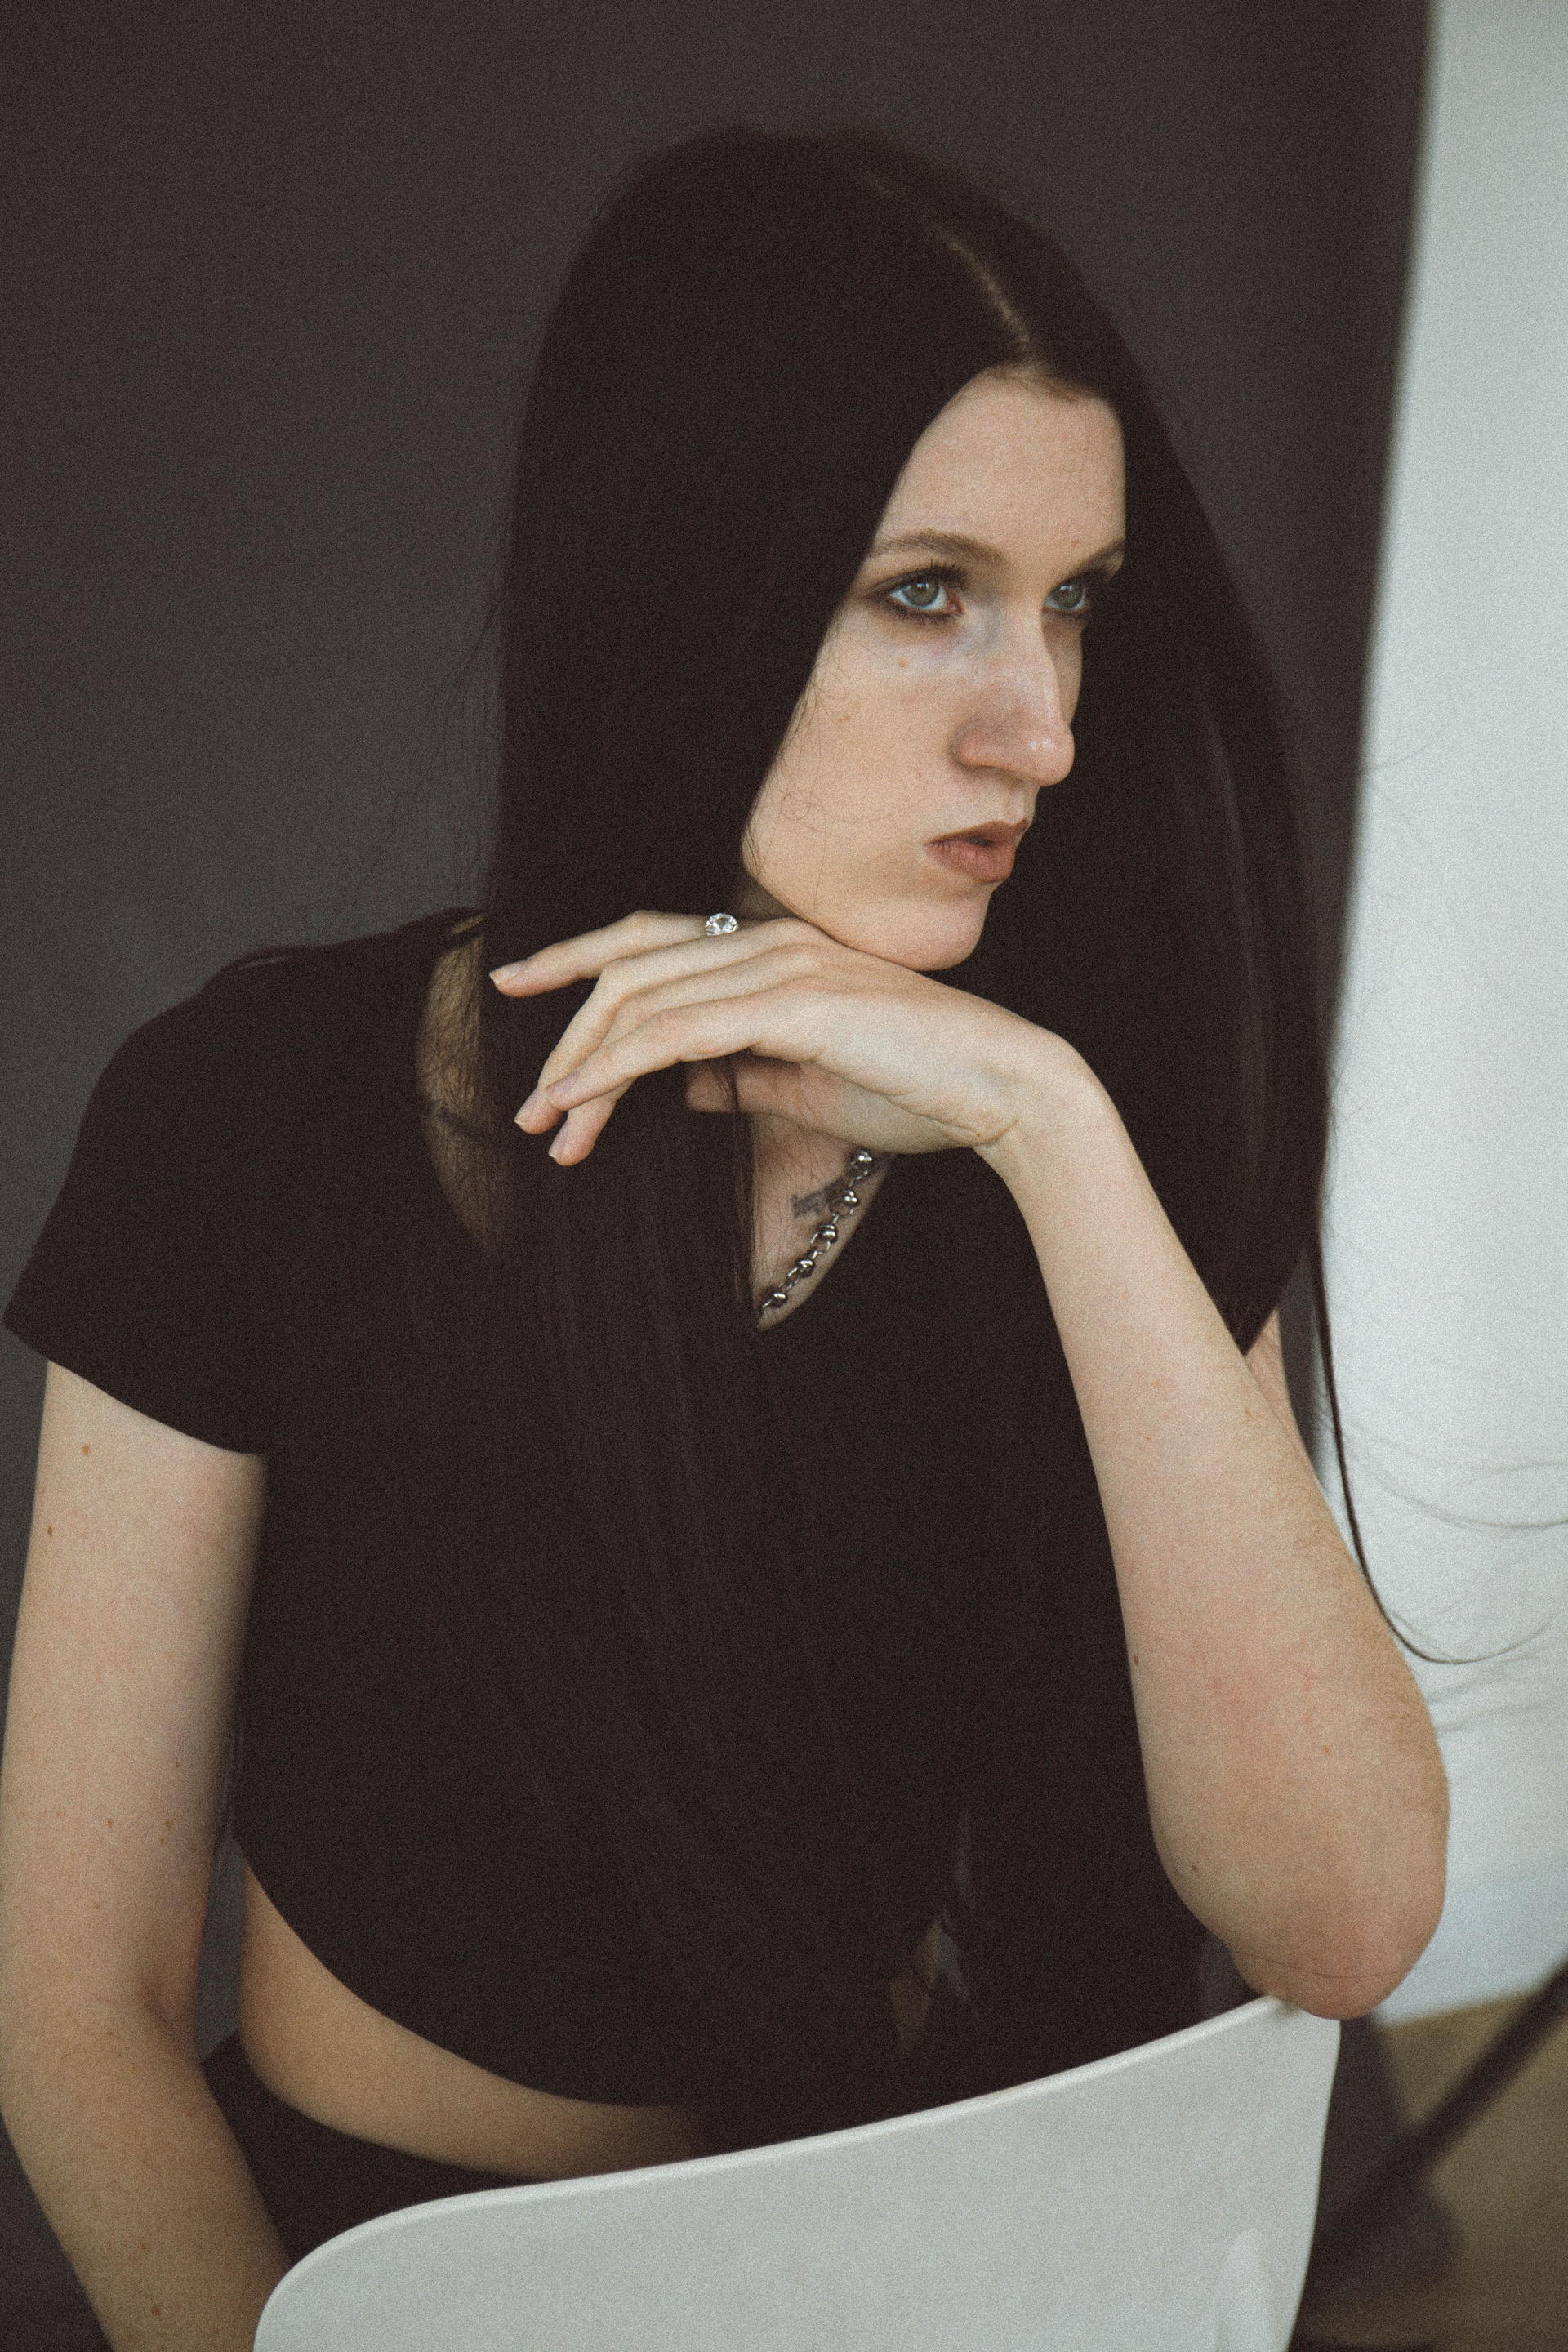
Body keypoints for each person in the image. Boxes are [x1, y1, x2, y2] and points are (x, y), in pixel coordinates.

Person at [0, 122, 1447, 2350]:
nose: (1043, 729)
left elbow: (1341, 1924)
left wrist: (1055, 1135)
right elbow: (74, 2002)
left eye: (1075, 602)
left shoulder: (1078, 1126)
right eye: (926, 593)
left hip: (927, 2272)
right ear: (691, 587)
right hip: (385, 2288)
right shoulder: (252, 1115)